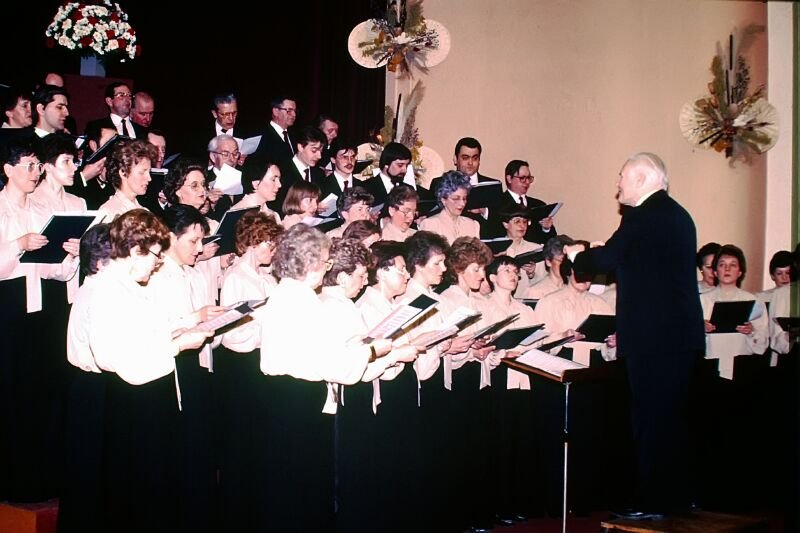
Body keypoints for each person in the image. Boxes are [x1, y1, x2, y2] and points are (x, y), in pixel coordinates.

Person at [566, 152, 704, 519]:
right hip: (679, 336)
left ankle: (653, 501)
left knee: (650, 420)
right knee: (670, 420)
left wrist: (577, 255)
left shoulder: (641, 216)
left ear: (642, 179)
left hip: (653, 339)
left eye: (622, 176)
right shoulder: (678, 215)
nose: (618, 184)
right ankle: (675, 498)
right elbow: (636, 260)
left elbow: (606, 260)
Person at [86, 209, 213, 532]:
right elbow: (119, 358)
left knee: (155, 491)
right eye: (155, 255)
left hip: (151, 396)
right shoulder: (107, 289)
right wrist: (178, 345)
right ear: (134, 250)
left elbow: (153, 330)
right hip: (132, 400)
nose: (157, 263)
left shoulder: (132, 286)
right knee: (136, 495)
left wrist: (188, 324)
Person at [256, 224, 385, 531]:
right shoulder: (305, 302)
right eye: (326, 261)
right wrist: (371, 351)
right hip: (301, 401)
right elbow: (335, 366)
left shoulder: (282, 294)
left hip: (280, 397)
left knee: (290, 485)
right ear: (311, 262)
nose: (327, 268)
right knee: (307, 488)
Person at [0, 139, 80, 502]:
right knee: (11, 394)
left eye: (37, 166)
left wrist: (70, 256)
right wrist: (18, 244)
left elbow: (52, 272)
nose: (36, 173)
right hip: (7, 309)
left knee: (42, 392)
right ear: (8, 169)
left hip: (41, 310)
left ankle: (43, 476)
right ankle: (12, 481)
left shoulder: (38, 209)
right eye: (29, 166)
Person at [216, 211, 282, 531]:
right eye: (269, 243)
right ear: (254, 242)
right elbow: (231, 334)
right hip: (240, 368)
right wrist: (264, 324)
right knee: (240, 445)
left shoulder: (267, 278)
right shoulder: (235, 279)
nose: (273, 249)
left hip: (261, 365)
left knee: (261, 444)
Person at [59, 223, 111, 533]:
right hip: (93, 386)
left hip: (95, 386)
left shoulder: (96, 289)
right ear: (101, 262)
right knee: (88, 467)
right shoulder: (97, 293)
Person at [700, 244, 769, 379]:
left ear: (740, 272)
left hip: (743, 366)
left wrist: (752, 331)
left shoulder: (754, 301)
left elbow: (762, 345)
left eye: (733, 265)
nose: (727, 269)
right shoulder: (702, 300)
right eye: (722, 265)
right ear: (715, 272)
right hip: (711, 364)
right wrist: (701, 329)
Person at [98, 139, 157, 219]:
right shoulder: (108, 212)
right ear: (123, 172)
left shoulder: (145, 211)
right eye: (142, 172)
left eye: (149, 172)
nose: (149, 178)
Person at [418, 170, 480, 244]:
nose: (462, 203)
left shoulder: (472, 225)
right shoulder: (430, 225)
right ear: (443, 200)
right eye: (456, 198)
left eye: (464, 198)